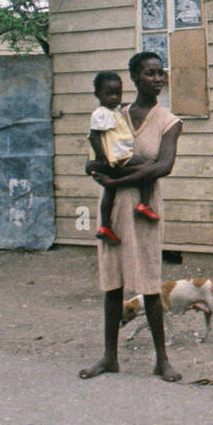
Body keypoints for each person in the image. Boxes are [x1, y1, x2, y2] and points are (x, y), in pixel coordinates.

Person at [80, 52, 183, 383]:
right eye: (149, 73)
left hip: (145, 210)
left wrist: (116, 179)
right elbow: (99, 156)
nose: (157, 79)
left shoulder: (169, 121)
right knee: (113, 282)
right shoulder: (114, 112)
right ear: (134, 78)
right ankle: (110, 356)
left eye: (160, 73)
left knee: (151, 283)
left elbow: (163, 167)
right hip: (114, 208)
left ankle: (161, 360)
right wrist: (102, 173)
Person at [87, 70, 158, 244]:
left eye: (117, 93)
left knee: (109, 191)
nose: (114, 97)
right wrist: (102, 156)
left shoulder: (113, 110)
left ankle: (105, 226)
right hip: (119, 156)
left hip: (115, 156)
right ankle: (144, 203)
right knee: (149, 167)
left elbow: (120, 106)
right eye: (108, 94)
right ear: (98, 94)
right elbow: (94, 136)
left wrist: (128, 103)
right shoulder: (101, 113)